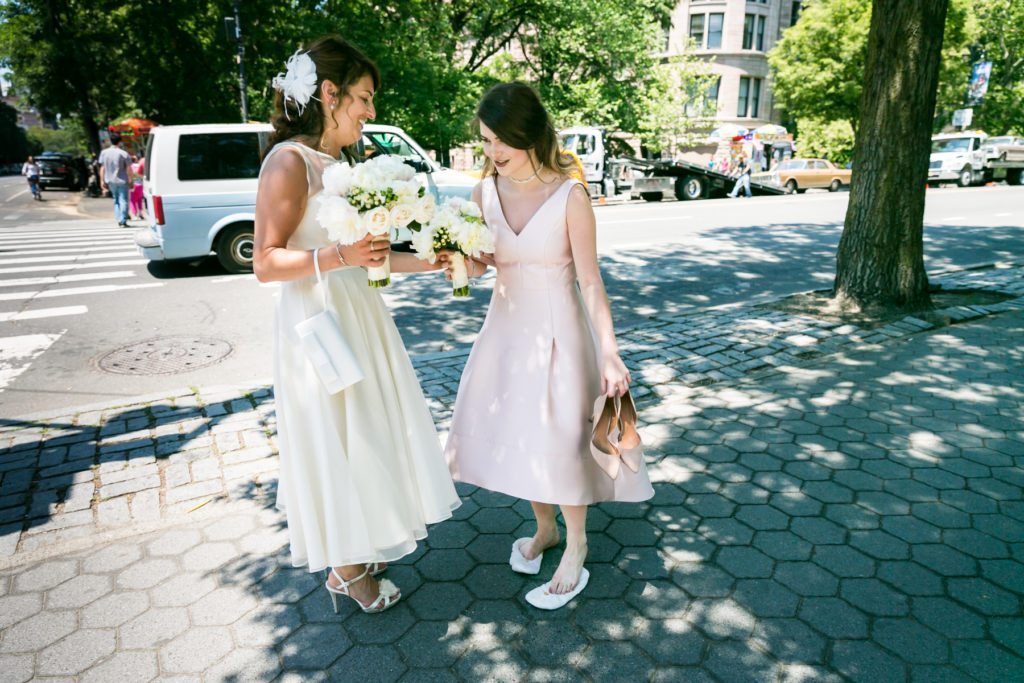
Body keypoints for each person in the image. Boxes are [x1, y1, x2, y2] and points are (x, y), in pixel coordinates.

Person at [253, 36, 460, 615]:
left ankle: (359, 543)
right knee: (334, 432)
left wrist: (430, 261)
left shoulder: (339, 163)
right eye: (364, 98)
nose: (371, 111)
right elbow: (265, 262)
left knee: (364, 429)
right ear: (329, 94)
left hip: (357, 313)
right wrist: (339, 259)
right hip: (317, 320)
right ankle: (345, 570)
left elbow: (367, 255)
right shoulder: (288, 162)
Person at [444, 82, 653, 610]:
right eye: (486, 141)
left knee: (559, 441)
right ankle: (545, 529)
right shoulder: (483, 192)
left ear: (528, 133)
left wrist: (609, 350)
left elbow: (591, 281)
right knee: (522, 437)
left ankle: (576, 541)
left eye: (499, 142)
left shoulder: (570, 196)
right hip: (506, 332)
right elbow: (479, 263)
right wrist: (453, 258)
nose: (491, 153)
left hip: (561, 332)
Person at [98, 133, 132, 226]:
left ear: (110, 141)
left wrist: (102, 180)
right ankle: (123, 219)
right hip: (122, 180)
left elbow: (102, 167)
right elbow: (129, 168)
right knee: (123, 200)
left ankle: (119, 218)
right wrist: (131, 179)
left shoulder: (104, 153)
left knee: (116, 200)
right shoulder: (123, 153)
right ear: (120, 142)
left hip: (110, 180)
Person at [129, 154, 145, 220]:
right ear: (136, 160)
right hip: (140, 185)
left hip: (133, 185)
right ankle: (140, 213)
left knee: (132, 201)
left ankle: (135, 215)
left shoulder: (129, 167)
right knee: (139, 200)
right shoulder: (139, 165)